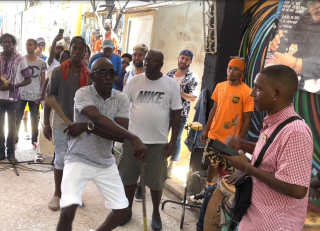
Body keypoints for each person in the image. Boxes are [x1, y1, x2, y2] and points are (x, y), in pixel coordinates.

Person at [56, 57, 147, 231]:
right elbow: (97, 117)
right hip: (78, 158)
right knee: (68, 211)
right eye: (103, 73)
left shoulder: (120, 98)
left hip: (105, 161)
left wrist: (86, 127)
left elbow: (119, 135)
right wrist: (134, 138)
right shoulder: (83, 93)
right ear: (92, 76)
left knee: (122, 211)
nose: (108, 77)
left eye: (112, 73)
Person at [221, 65, 314, 230]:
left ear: (277, 93)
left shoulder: (296, 132)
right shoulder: (275, 122)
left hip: (275, 224)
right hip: (257, 216)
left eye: (258, 88)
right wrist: (242, 145)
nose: (252, 94)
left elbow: (297, 190)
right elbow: (274, 153)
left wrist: (247, 167)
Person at [120, 50, 183, 230]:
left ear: (161, 64)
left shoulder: (170, 84)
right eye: (146, 60)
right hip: (133, 139)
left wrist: (172, 142)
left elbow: (176, 114)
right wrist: (124, 134)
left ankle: (155, 213)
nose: (147, 63)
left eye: (152, 61)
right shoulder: (134, 81)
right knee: (128, 177)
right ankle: (127, 210)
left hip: (158, 142)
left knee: (156, 180)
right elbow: (123, 108)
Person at [190, 58, 254, 204]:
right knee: (212, 165)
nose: (231, 71)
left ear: (241, 72)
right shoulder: (220, 86)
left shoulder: (247, 92)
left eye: (235, 69)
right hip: (214, 136)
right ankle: (208, 193)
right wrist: (206, 130)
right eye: (229, 68)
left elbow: (247, 119)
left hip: (231, 140)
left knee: (230, 171)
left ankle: (223, 199)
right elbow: (214, 109)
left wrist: (239, 141)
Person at [43, 36, 90, 211]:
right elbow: (50, 99)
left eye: (81, 49)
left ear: (85, 52)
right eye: (75, 48)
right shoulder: (57, 72)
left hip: (81, 123)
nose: (78, 52)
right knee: (61, 158)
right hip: (60, 123)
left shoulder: (89, 75)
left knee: (78, 161)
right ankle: (57, 194)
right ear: (70, 50)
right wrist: (46, 124)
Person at [270, 0, 320, 94]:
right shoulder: (304, 21)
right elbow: (289, 36)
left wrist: (296, 64)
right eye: (312, 3)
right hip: (294, 83)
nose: (317, 5)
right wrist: (279, 41)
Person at [166, 49, 200, 178]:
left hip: (180, 114)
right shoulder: (170, 74)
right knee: (162, 137)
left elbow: (192, 97)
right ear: (178, 58)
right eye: (182, 58)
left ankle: (171, 166)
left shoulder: (192, 77)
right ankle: (160, 162)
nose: (183, 60)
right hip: (164, 112)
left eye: (187, 59)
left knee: (176, 139)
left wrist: (178, 92)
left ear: (190, 62)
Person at [0, 33, 31, 164]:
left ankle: (11, 153)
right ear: (1, 44)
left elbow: (28, 79)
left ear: (14, 44)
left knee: (13, 127)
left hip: (14, 99)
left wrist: (14, 86)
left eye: (9, 42)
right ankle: (1, 152)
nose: (6, 44)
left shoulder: (20, 59)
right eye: (4, 42)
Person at [36, 50, 71, 163]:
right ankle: (40, 153)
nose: (61, 60)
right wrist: (42, 99)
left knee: (59, 132)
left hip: (61, 107)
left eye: (65, 58)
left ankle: (56, 156)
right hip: (50, 104)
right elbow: (45, 85)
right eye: (61, 58)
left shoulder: (72, 72)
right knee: (46, 127)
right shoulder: (54, 70)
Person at [16, 39, 47, 150]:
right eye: (26, 45)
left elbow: (43, 80)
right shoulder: (20, 60)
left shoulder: (41, 62)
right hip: (21, 93)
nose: (27, 47)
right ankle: (14, 140)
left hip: (35, 95)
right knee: (18, 117)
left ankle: (34, 140)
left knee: (34, 119)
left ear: (35, 47)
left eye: (30, 45)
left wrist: (43, 96)